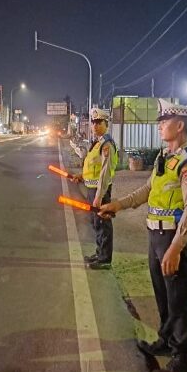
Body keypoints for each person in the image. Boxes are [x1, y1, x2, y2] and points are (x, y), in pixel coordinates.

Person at [98, 98, 187, 372]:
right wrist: (117, 205)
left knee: (178, 298)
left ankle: (181, 359)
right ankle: (166, 339)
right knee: (162, 294)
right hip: (154, 235)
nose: (159, 126)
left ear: (180, 125)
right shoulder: (164, 158)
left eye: (164, 121)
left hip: (172, 238)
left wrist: (175, 247)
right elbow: (148, 190)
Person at [72, 108, 119, 270]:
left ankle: (105, 258)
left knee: (103, 223)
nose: (95, 125)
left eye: (99, 123)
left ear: (107, 124)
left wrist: (99, 196)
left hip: (101, 191)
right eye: (93, 122)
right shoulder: (97, 143)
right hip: (92, 189)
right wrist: (81, 176)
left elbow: (105, 173)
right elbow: (93, 168)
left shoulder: (106, 145)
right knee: (96, 223)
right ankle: (99, 253)